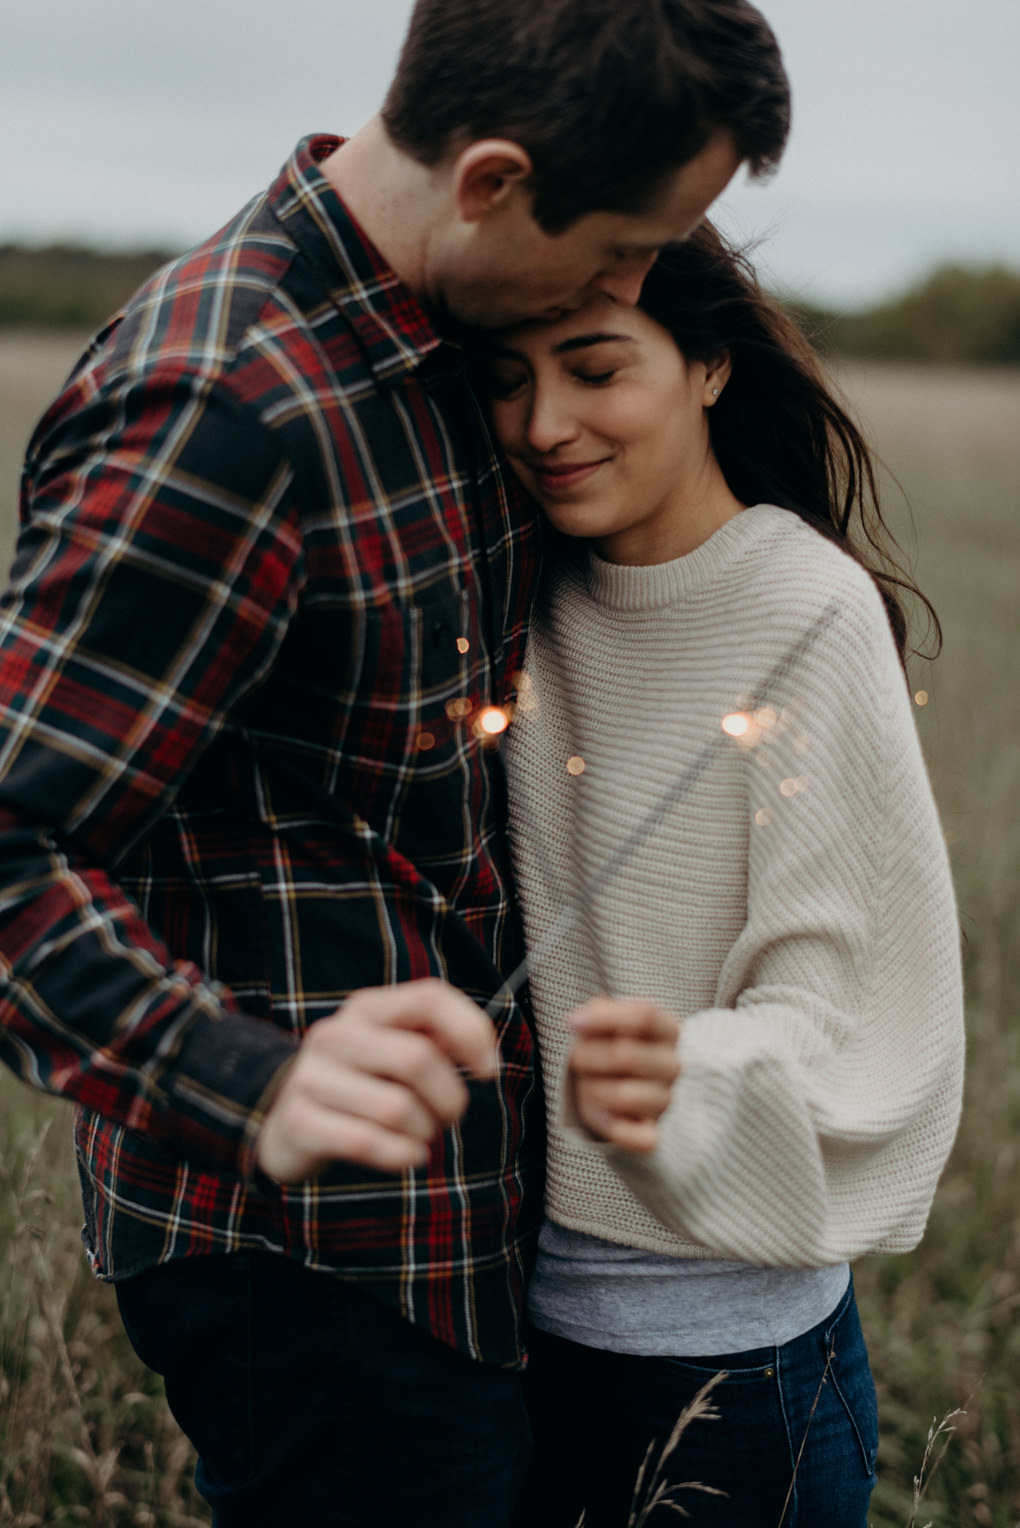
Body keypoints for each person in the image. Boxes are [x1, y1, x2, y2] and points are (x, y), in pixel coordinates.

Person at [0, 2, 791, 1523]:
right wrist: (250, 1081)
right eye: (627, 243)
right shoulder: (225, 415)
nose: (639, 285)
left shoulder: (442, 338)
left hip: (473, 1228)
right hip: (308, 1260)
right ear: (491, 178)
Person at [482, 224, 965, 1526]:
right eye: (506, 379)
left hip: (732, 1364)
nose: (544, 423)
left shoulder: (803, 608)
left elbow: (836, 1001)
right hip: (511, 1341)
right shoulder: (516, 586)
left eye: (593, 367)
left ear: (707, 364)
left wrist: (683, 1068)